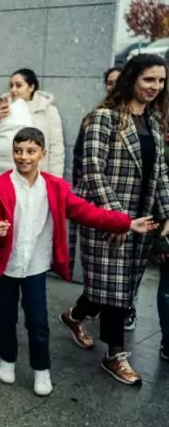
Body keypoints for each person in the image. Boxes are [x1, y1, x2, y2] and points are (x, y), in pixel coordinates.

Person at [0, 127, 154, 397]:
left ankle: (42, 369)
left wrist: (127, 223)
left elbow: (87, 212)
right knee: (5, 318)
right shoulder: (0, 184)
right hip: (7, 266)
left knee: (38, 321)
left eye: (30, 151)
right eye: (18, 151)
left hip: (35, 267)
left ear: (42, 153)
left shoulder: (55, 187)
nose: (23, 157)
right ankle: (7, 359)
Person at [59, 54, 169, 385]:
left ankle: (74, 315)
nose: (155, 86)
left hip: (142, 219)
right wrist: (117, 218)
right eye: (149, 79)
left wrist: (167, 212)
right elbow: (91, 170)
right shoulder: (103, 119)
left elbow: (160, 172)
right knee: (116, 289)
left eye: (161, 81)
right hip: (108, 218)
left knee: (114, 286)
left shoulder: (152, 122)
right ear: (132, 78)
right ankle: (115, 355)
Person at [0, 68, 65, 272]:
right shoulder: (2, 105)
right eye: (11, 85)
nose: (13, 89)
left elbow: (56, 145)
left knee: (23, 216)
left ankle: (20, 260)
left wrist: (54, 180)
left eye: (18, 85)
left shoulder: (45, 110)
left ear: (32, 87)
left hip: (27, 174)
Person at [69, 66, 125, 280]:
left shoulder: (142, 118)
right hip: (96, 196)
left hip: (126, 197)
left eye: (117, 82)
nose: (113, 87)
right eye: (109, 83)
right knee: (97, 263)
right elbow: (80, 157)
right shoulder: (94, 118)